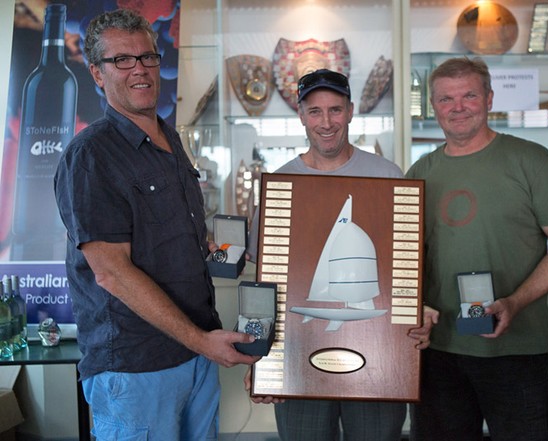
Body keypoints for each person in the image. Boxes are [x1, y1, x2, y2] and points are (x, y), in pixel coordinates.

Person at [54, 9, 259, 440]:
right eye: (122, 60)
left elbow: (173, 238)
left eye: (147, 57)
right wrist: (203, 343)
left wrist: (219, 250)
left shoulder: (170, 140)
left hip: (195, 354)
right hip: (136, 368)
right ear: (96, 73)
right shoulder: (91, 156)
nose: (141, 69)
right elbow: (111, 272)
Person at [244, 68, 439, 441]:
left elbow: (405, 271)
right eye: (315, 111)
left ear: (351, 111)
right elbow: (264, 286)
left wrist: (419, 309)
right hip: (296, 363)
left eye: (335, 110)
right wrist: (259, 358)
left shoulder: (389, 176)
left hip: (379, 363)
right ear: (301, 116)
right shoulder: (280, 185)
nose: (326, 122)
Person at [405, 57, 548, 441]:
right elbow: (407, 257)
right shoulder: (419, 173)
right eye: (445, 99)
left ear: (489, 98)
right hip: (439, 350)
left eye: (469, 95)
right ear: (433, 107)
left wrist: (516, 301)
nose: (457, 107)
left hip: (515, 348)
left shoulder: (532, 161)